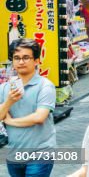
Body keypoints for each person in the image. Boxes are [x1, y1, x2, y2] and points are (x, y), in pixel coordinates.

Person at [0, 39, 57, 177]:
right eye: (16, 58)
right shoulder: (4, 88)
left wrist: (11, 121)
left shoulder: (45, 86)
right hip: (14, 153)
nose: (21, 62)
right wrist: (9, 101)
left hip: (40, 154)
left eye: (26, 57)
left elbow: (39, 117)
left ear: (36, 61)